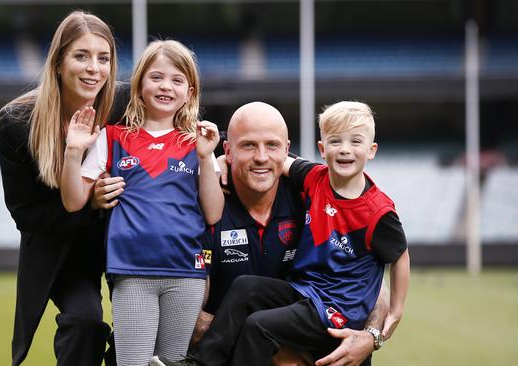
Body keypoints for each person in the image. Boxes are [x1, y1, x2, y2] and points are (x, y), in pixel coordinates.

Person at [150, 101, 410, 366]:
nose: (262, 156)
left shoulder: (373, 209)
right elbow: (192, 316)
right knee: (246, 288)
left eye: (271, 145)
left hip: (333, 319)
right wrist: (217, 163)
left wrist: (377, 330)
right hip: (307, 295)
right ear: (322, 149)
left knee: (257, 325)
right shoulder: (312, 178)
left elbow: (389, 264)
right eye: (248, 145)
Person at [60, 39, 224, 366]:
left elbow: (213, 212)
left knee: (172, 363)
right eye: (157, 77)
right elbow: (73, 201)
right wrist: (74, 151)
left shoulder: (199, 142)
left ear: (189, 92)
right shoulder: (113, 137)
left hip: (185, 275)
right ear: (139, 85)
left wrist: (206, 159)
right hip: (133, 272)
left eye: (177, 80)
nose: (166, 86)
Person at [0, 10, 117, 366]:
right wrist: (89, 203)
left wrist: (218, 158)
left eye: (103, 58)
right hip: (66, 251)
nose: (94, 68)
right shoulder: (17, 124)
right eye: (81, 56)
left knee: (146, 325)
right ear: (58, 63)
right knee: (85, 322)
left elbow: (176, 127)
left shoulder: (122, 106)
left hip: (127, 241)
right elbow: (26, 215)